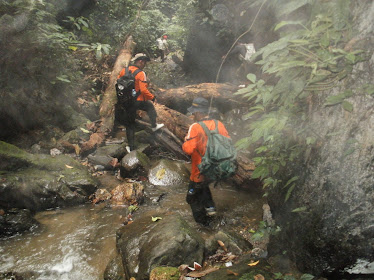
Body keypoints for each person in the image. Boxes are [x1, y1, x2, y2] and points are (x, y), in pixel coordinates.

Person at [182, 97, 231, 225]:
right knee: (204, 188)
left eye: (193, 113)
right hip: (216, 169)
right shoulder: (218, 124)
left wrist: (186, 140)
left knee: (191, 198)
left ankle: (204, 226)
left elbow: (188, 149)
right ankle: (211, 209)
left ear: (198, 112)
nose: (192, 115)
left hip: (199, 171)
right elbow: (228, 143)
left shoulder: (195, 127)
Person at [117, 53, 164, 152]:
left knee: (130, 125)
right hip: (136, 101)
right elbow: (143, 90)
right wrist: (152, 97)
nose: (145, 64)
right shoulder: (141, 73)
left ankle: (131, 148)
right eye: (145, 62)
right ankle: (154, 126)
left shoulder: (123, 70)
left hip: (125, 101)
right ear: (140, 61)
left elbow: (118, 84)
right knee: (150, 106)